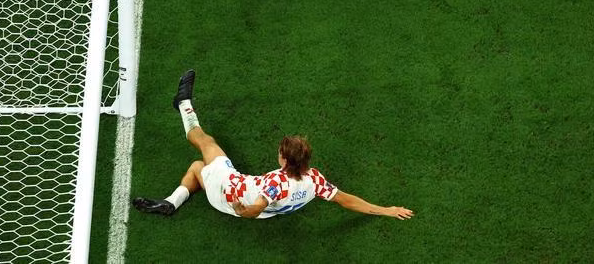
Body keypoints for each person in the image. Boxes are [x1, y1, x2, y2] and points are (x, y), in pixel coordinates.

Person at [132, 70, 415, 220]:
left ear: (283, 159)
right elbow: (346, 200)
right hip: (252, 205)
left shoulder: (276, 184)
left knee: (204, 148)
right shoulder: (315, 180)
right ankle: (172, 203)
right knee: (198, 167)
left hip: (230, 194)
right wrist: (386, 209)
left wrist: (244, 210)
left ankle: (183, 105)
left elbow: (257, 205)